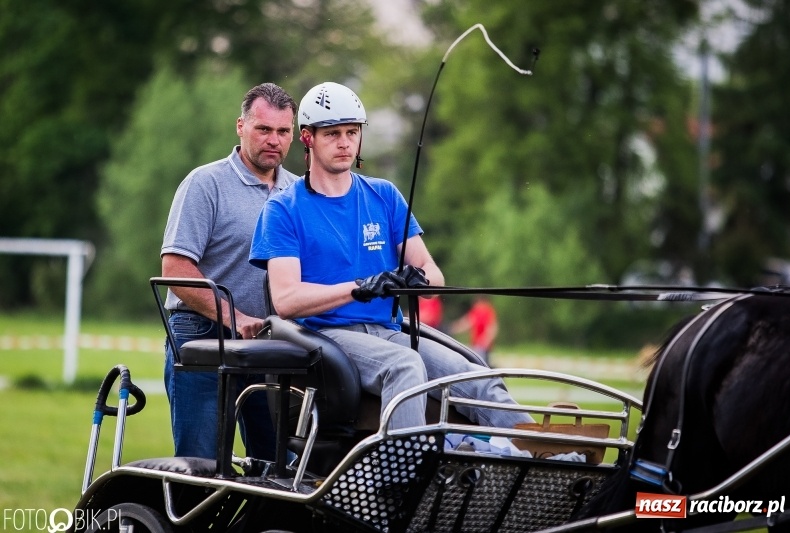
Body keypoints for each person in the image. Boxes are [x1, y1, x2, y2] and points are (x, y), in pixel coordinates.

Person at [249, 81, 532, 430]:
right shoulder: (283, 209)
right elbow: (287, 300)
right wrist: (359, 287)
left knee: (477, 376)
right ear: (307, 137)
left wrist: (420, 279)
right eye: (333, 133)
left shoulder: (384, 195)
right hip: (326, 336)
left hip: (388, 330)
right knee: (404, 365)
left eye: (352, 132)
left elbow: (432, 275)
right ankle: (405, 476)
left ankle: (550, 459)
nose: (345, 143)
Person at [161, 82, 300, 459]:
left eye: (283, 131)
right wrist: (234, 317)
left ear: (295, 135)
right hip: (202, 336)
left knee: (278, 468)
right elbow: (175, 266)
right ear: (240, 126)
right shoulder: (205, 183)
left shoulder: (299, 193)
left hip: (273, 344)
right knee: (202, 463)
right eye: (263, 129)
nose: (274, 140)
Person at [451, 296, 498, 365]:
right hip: (478, 346)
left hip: (482, 346)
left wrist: (485, 340)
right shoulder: (481, 310)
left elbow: (492, 327)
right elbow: (467, 322)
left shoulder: (486, 310)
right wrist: (453, 328)